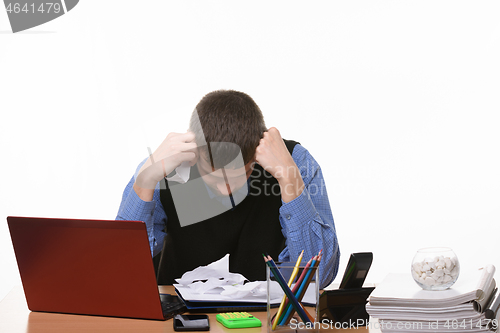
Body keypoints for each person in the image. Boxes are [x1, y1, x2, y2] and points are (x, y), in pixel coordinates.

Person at [116, 90, 340, 288]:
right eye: (212, 178)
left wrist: (290, 179)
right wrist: (145, 181)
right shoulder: (163, 166)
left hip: (268, 319)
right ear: (194, 153)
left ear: (256, 154)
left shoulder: (296, 162)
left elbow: (320, 278)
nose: (225, 190)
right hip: (181, 319)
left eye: (240, 175)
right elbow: (121, 271)